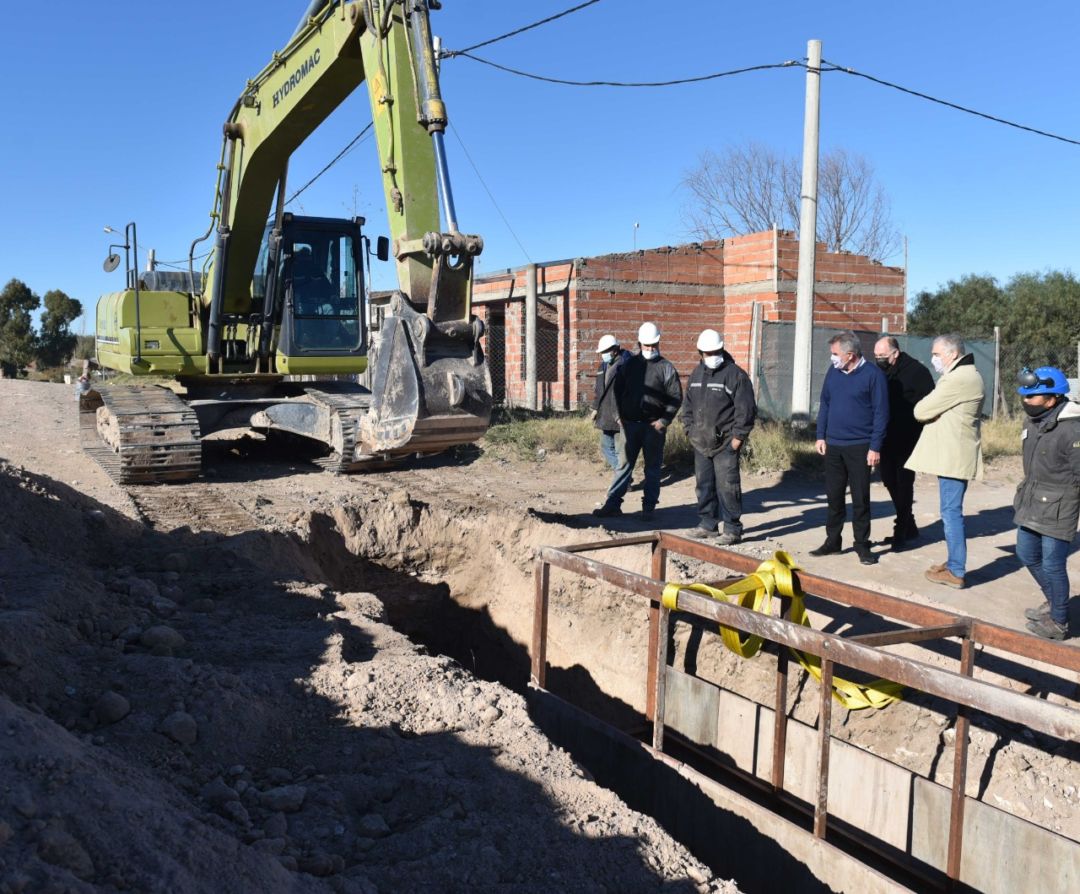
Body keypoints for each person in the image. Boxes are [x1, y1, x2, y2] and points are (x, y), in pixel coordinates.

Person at [905, 334, 985, 589]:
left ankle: (956, 570)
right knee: (951, 512)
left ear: (952, 354)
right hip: (953, 454)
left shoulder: (958, 379)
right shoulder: (965, 375)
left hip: (953, 456)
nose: (934, 359)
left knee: (951, 514)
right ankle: (953, 563)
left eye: (937, 354)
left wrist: (932, 413)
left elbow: (920, 410)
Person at [1012, 366, 1079, 640]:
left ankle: (1059, 622)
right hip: (1032, 499)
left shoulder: (1072, 430)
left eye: (1032, 397)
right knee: (1027, 554)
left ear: (1051, 399)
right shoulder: (1035, 421)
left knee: (1053, 564)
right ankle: (1054, 602)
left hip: (1060, 505)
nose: (1026, 401)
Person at [811, 331, 889, 565]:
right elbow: (825, 403)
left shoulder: (873, 376)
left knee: (860, 498)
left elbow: (881, 413)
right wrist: (820, 435)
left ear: (850, 355)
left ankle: (862, 545)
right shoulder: (834, 373)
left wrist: (875, 447)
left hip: (860, 447)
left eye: (835, 354)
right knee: (834, 497)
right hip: (833, 445)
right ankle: (832, 542)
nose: (832, 359)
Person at [593, 322, 682, 520]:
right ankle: (613, 504)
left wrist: (663, 421)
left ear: (658, 343)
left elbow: (676, 397)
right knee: (624, 467)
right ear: (639, 343)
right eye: (646, 345)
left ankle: (648, 508)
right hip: (630, 425)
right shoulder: (629, 365)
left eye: (653, 345)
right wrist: (619, 416)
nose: (650, 349)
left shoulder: (666, 368)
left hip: (653, 428)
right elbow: (617, 391)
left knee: (652, 468)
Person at [680, 328, 756, 545]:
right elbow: (688, 405)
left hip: (725, 444)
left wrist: (737, 439)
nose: (712, 356)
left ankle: (732, 529)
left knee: (727, 486)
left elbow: (746, 410)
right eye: (707, 353)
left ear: (722, 349)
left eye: (716, 351)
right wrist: (689, 430)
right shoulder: (696, 374)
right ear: (700, 353)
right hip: (701, 443)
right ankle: (707, 524)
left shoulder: (735, 375)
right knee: (704, 485)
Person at [873, 336, 935, 550]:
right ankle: (910, 525)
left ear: (895, 353)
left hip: (908, 437)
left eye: (882, 356)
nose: (879, 360)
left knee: (903, 482)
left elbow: (929, 404)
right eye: (876, 356)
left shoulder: (917, 372)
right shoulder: (881, 371)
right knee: (889, 480)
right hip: (886, 437)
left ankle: (901, 530)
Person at [591, 334, 631, 471]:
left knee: (621, 451)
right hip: (606, 414)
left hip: (620, 416)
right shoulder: (602, 367)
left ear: (615, 349)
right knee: (606, 446)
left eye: (605, 352)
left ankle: (623, 478)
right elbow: (599, 390)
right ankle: (622, 476)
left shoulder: (626, 365)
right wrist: (595, 408)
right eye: (602, 352)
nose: (603, 355)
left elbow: (628, 394)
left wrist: (622, 414)